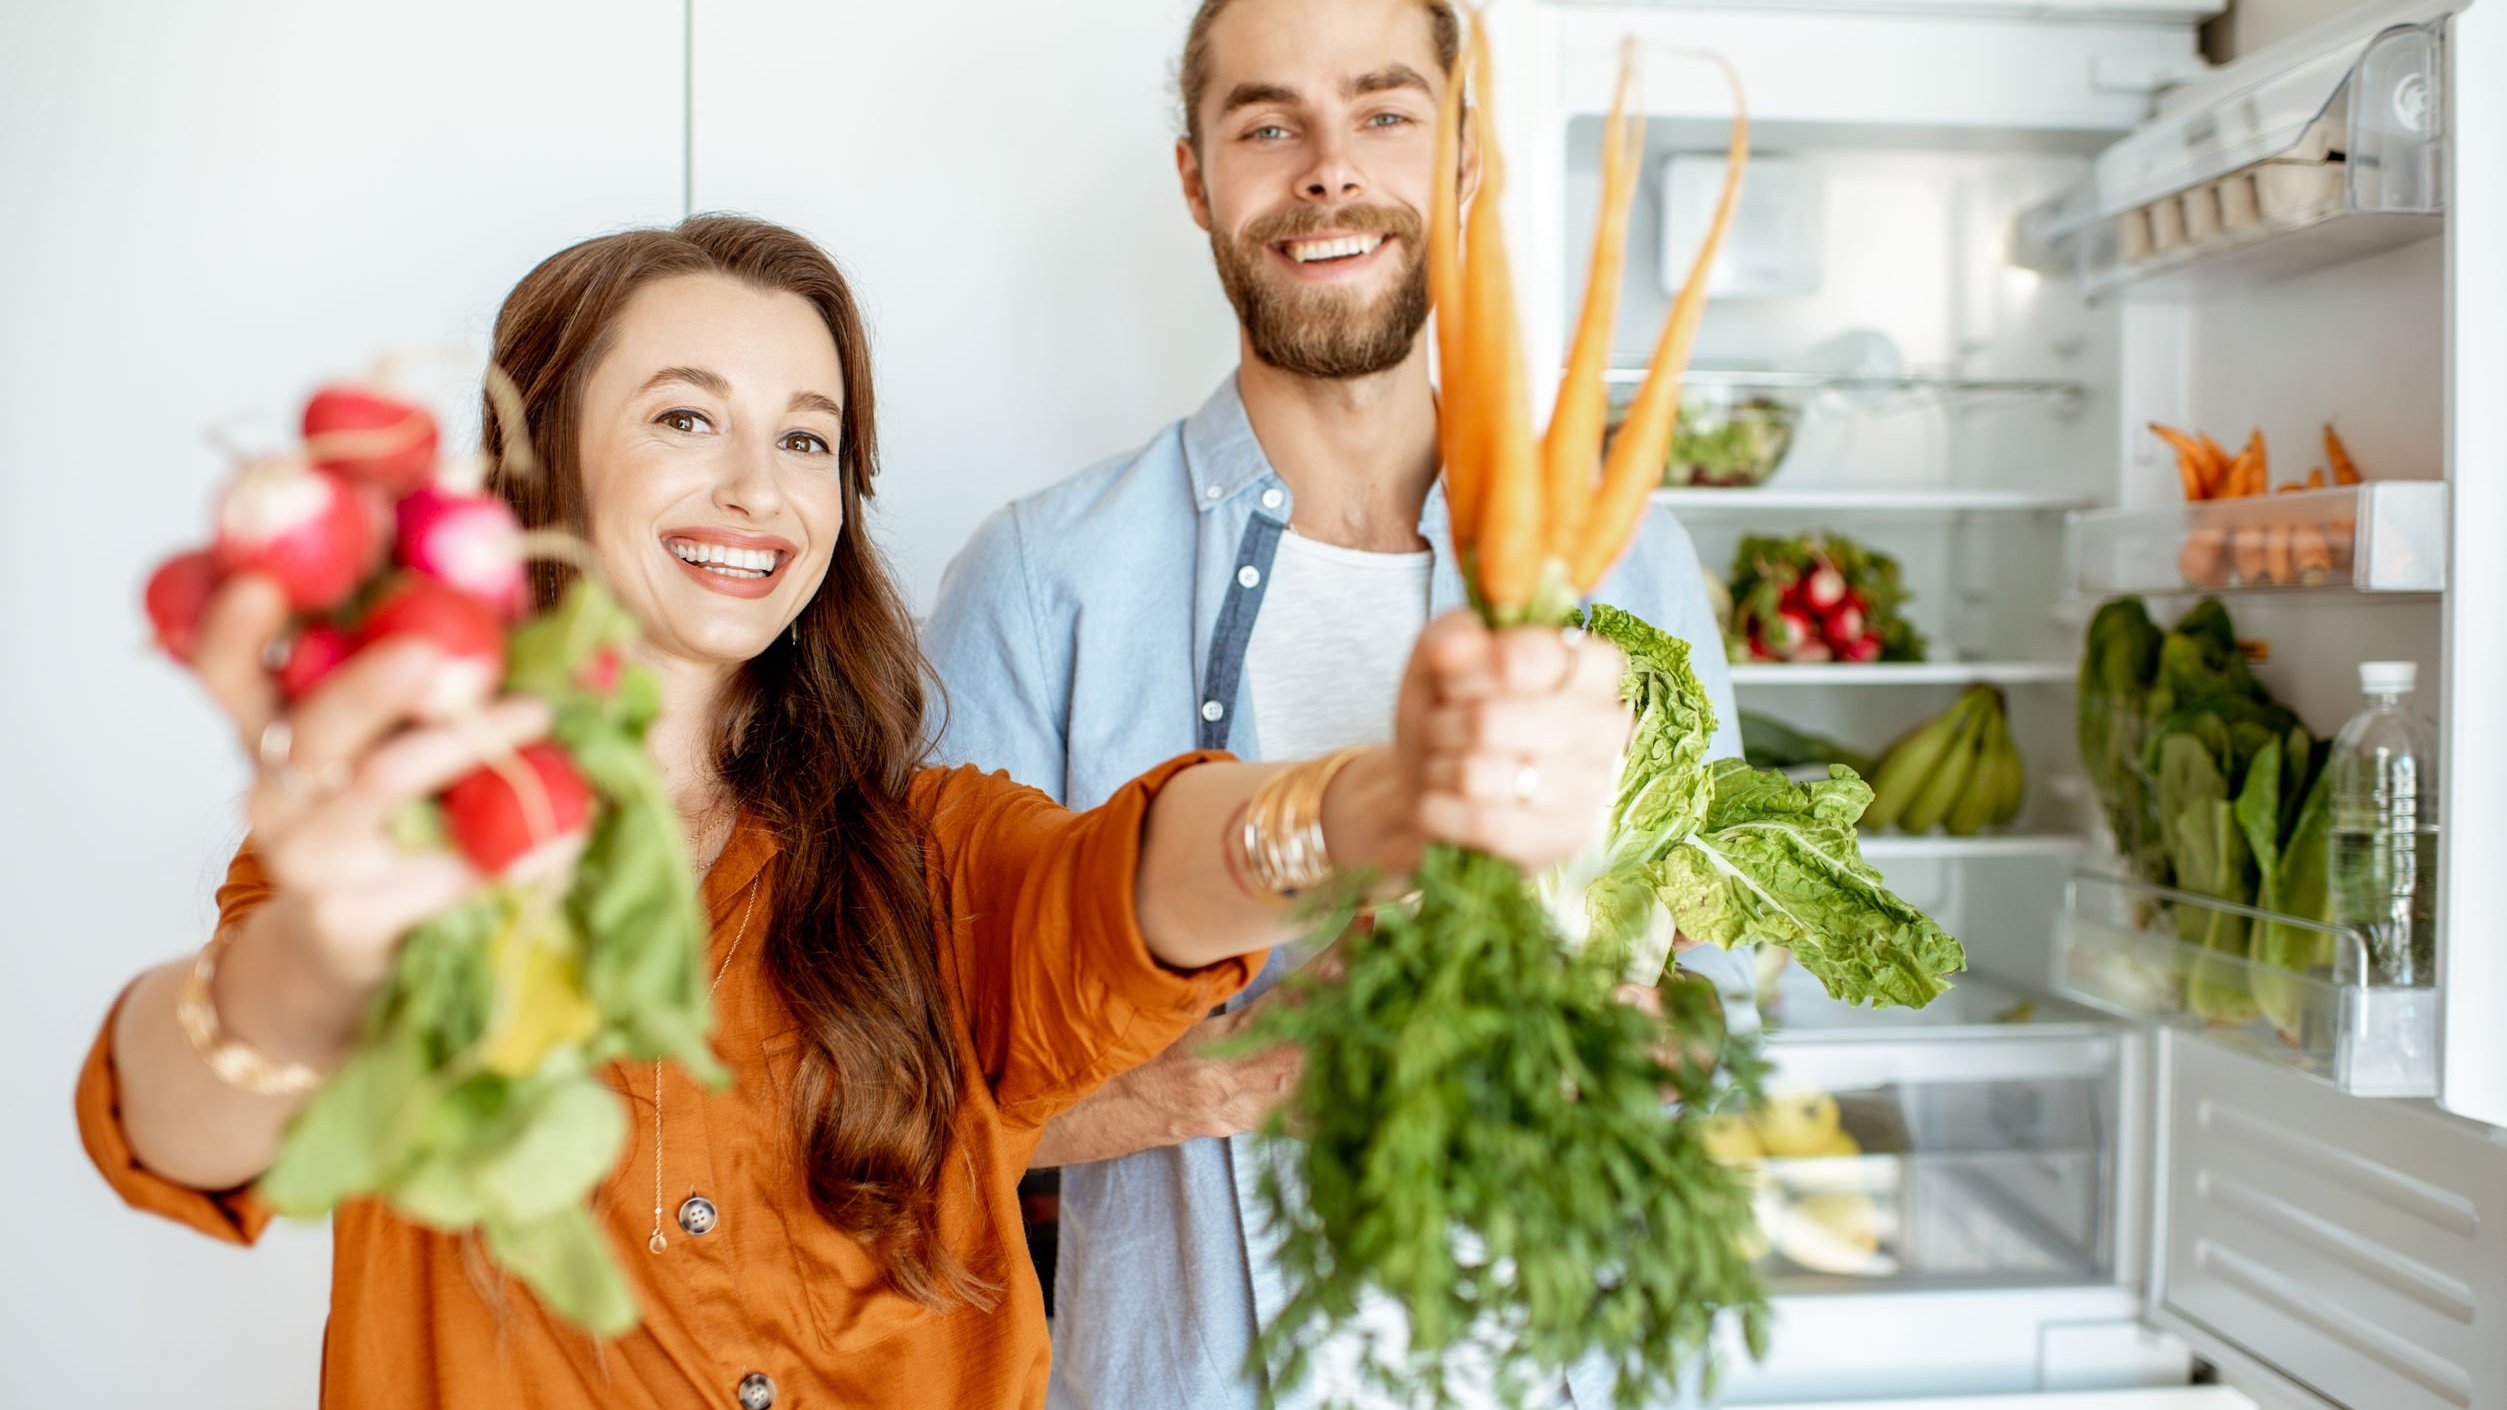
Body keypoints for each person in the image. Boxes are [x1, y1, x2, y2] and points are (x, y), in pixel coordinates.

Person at [75, 214, 1639, 1410]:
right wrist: (323, 964)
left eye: (807, 438)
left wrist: (1363, 803)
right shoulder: (396, 841)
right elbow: (179, 1129)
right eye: (686, 418)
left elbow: (1134, 884)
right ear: (540, 458)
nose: (758, 488)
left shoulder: (930, 855)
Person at [921, 0, 1743, 1406]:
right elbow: (913, 1094)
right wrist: (1249, 1073)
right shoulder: (1040, 578)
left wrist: (1639, 1030)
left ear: (1464, 155)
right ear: (1194, 174)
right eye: (1267, 123)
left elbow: (1722, 996)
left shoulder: (1634, 563)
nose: (1328, 171)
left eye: (1382, 112)